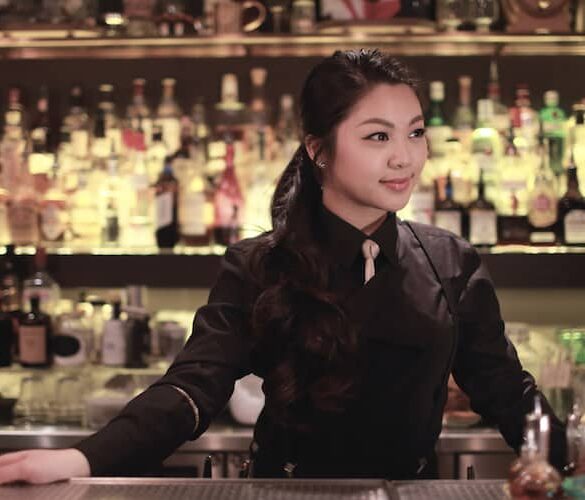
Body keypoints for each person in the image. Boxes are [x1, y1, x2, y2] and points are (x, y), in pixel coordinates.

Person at [0, 49, 566, 485]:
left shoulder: (450, 262)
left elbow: (507, 391)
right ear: (318, 150)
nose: (405, 157)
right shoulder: (260, 265)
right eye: (377, 136)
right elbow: (191, 389)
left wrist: (566, 467)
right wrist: (83, 458)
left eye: (415, 132)